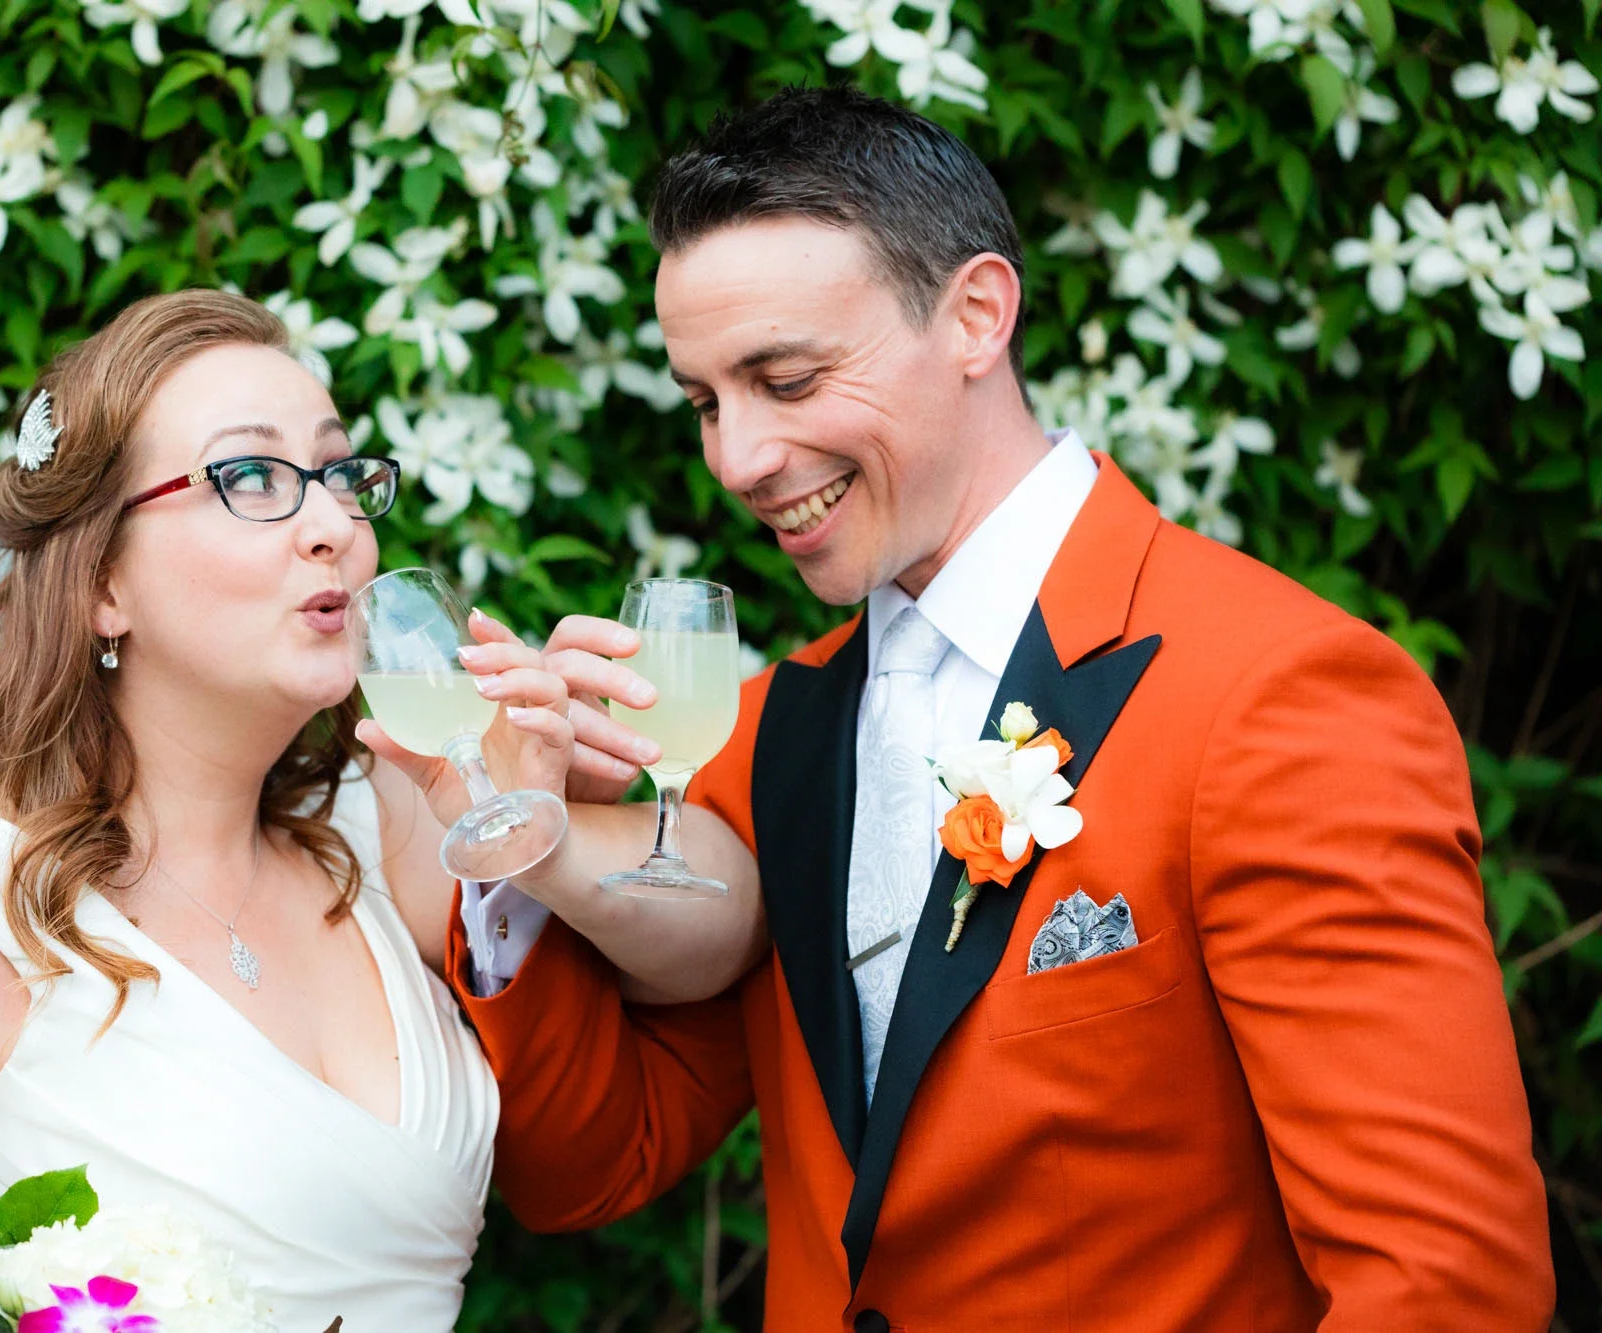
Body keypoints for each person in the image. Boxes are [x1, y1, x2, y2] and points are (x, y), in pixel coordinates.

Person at [415, 88, 1556, 1330]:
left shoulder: (1277, 696)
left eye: (784, 379)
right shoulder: (766, 734)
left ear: (974, 315)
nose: (737, 459)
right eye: (705, 401)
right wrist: (521, 848)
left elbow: (1442, 1286)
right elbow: (594, 1164)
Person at [0, 290, 759, 1331]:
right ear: (103, 582)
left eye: (341, 475)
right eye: (250, 477)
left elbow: (722, 924)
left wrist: (533, 828)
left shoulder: (370, 825)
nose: (335, 526)